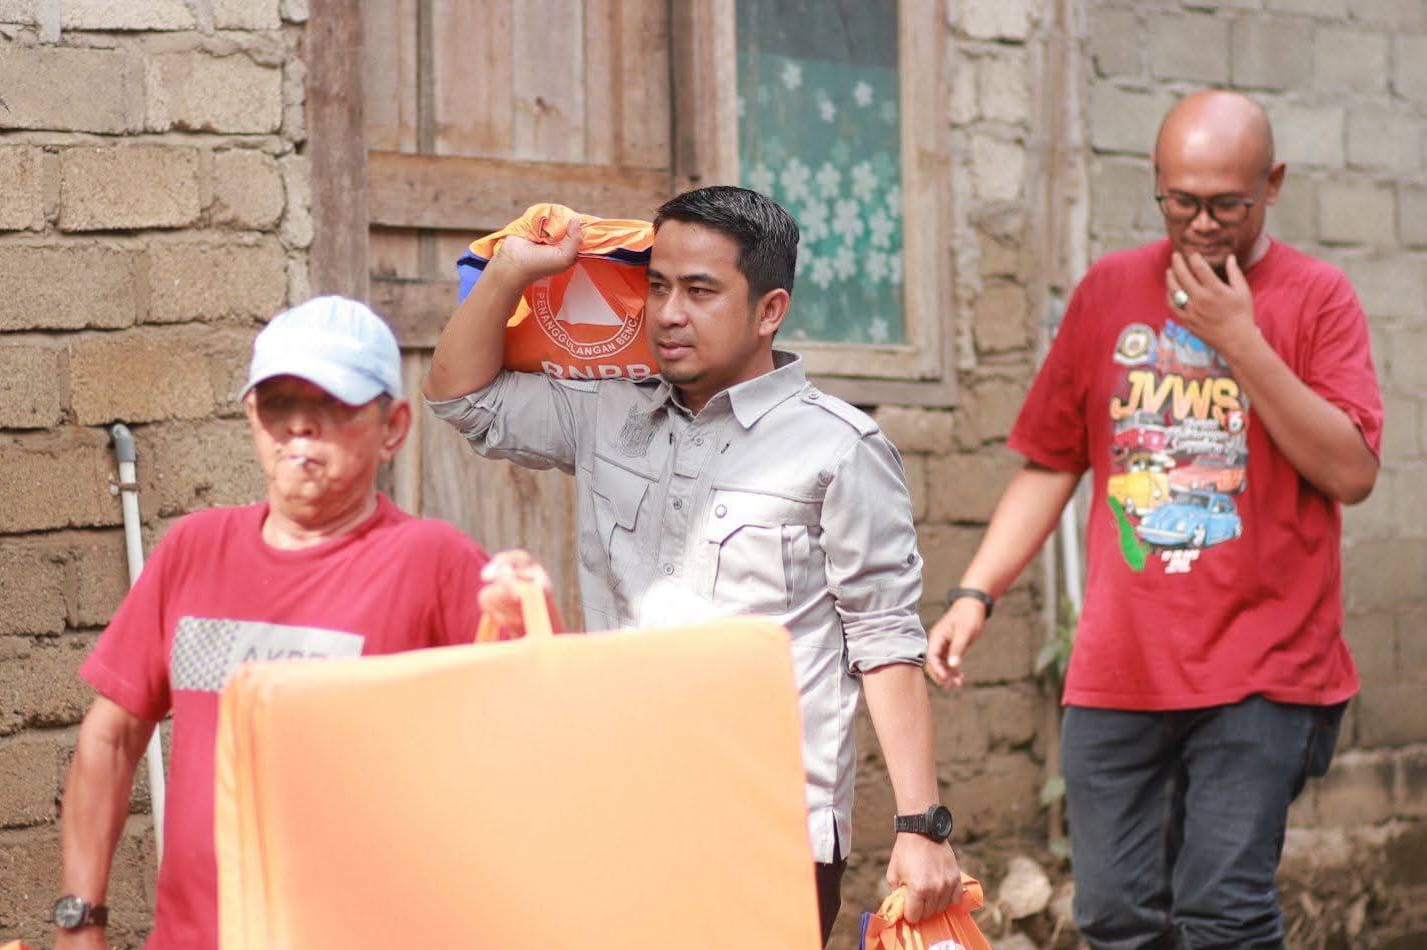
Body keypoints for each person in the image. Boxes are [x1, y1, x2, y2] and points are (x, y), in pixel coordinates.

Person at [425, 185, 963, 944]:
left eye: (700, 292)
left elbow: (883, 639)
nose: (668, 313)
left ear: (769, 310)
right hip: (619, 802)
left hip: (767, 825)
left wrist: (919, 825)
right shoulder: (607, 412)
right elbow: (461, 398)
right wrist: (513, 270)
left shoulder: (839, 448)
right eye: (657, 287)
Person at [926, 90, 1383, 948]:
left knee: (1222, 915)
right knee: (1114, 916)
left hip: (1265, 669)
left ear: (1272, 183)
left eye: (1226, 205)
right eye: (1180, 202)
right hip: (1120, 666)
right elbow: (1051, 460)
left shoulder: (1317, 298)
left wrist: (1238, 339)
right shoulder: (1108, 291)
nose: (1201, 224)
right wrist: (973, 593)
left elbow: (1350, 472)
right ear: (1157, 182)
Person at [54, 296, 546, 950]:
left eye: (332, 405)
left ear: (393, 427)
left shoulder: (432, 562)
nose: (299, 428)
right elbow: (111, 739)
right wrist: (79, 920)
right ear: (251, 417)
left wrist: (532, 617)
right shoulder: (194, 551)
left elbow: (536, 740)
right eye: (277, 404)